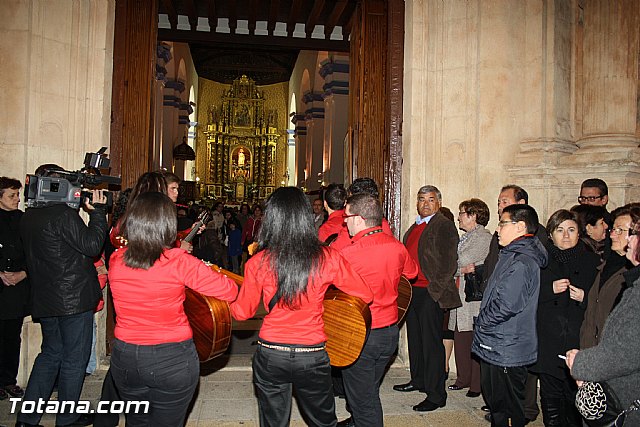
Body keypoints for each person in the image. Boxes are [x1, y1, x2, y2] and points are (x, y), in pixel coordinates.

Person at [230, 187, 373, 427]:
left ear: (272, 218)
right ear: (306, 217)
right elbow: (365, 294)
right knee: (323, 421)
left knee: (273, 422)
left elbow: (241, 312)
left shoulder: (258, 262)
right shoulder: (328, 257)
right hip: (312, 353)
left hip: (271, 352)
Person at [108, 192, 238, 426]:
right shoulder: (179, 261)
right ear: (167, 224)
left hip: (126, 356)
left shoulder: (117, 259)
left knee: (136, 421)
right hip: (171, 358)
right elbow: (230, 290)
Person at [17, 164, 108, 427]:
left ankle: (27, 419)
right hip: (73, 300)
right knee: (74, 360)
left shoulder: (29, 216)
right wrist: (99, 214)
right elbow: (91, 246)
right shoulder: (62, 216)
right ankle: (67, 418)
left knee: (50, 355)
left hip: (46, 298)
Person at [337, 194, 419, 426]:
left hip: (360, 334)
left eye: (347, 217)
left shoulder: (348, 254)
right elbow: (411, 274)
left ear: (360, 219)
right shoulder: (397, 247)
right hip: (389, 333)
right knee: (366, 390)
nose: (345, 222)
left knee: (366, 404)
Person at [472, 204, 548, 427]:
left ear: (520, 227)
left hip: (507, 347)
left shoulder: (522, 262)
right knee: (498, 408)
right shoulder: (512, 254)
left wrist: (482, 322)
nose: (497, 229)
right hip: (498, 343)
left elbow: (507, 305)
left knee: (507, 409)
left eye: (502, 223)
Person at [565, 208, 640, 427]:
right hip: (599, 363)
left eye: (621, 230)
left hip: (622, 394)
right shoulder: (611, 265)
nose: (612, 234)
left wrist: (583, 363)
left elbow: (627, 351)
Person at [393, 185, 461, 413]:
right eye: (422, 199)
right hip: (413, 291)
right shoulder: (415, 226)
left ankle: (436, 394)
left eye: (430, 200)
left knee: (432, 345)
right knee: (416, 340)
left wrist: (435, 291)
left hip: (431, 292)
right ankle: (418, 380)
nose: (425, 204)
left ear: (438, 203)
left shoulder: (444, 225)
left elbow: (449, 263)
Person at [531, 209, 600, 426]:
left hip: (576, 337)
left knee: (573, 398)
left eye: (571, 230)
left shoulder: (592, 261)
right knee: (550, 396)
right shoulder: (540, 260)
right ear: (550, 234)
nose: (566, 235)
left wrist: (584, 297)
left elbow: (605, 301)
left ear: (580, 233)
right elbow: (526, 295)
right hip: (548, 336)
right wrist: (549, 289)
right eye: (560, 230)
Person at [447, 199, 492, 398]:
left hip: (472, 298)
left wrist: (455, 268)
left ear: (473, 215)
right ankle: (463, 378)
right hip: (460, 296)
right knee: (460, 337)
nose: (459, 217)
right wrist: (458, 269)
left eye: (462, 213)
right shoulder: (465, 237)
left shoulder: (482, 237)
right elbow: (454, 264)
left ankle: (475, 384)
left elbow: (460, 261)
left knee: (472, 339)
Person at [580, 205, 633, 349]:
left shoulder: (633, 275)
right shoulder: (605, 266)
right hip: (593, 354)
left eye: (620, 230)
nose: (612, 235)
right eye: (613, 229)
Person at [0, 177, 29, 402]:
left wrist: (23, 274)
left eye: (18, 195)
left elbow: (35, 252)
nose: (17, 199)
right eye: (12, 195)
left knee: (12, 336)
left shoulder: (24, 220)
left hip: (17, 287)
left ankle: (8, 379)